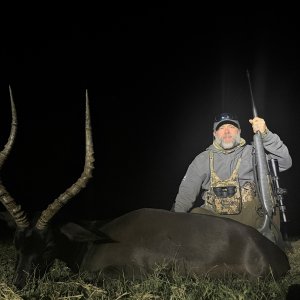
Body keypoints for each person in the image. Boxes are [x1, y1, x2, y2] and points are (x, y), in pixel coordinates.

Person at [172, 112, 292, 244]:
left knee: (270, 207)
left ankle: (267, 247)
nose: (227, 131)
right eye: (221, 128)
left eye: (231, 127)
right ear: (214, 134)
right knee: (196, 214)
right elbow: (186, 194)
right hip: (215, 219)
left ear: (239, 131)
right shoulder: (201, 159)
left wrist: (266, 135)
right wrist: (173, 223)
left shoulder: (253, 152)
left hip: (249, 215)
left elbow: (284, 162)